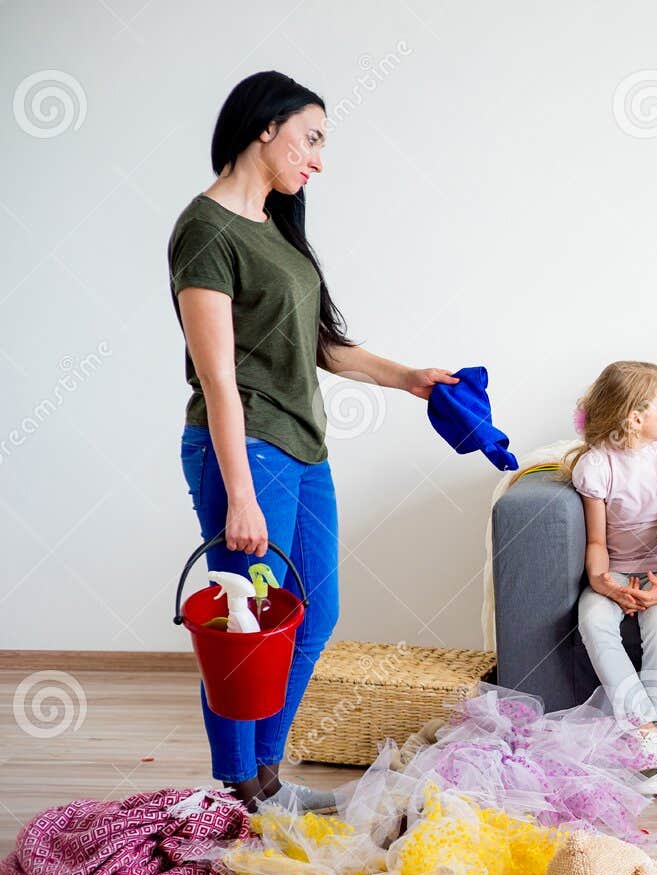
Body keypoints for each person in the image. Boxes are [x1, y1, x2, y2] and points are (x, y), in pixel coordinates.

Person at [170, 71, 459, 809]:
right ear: (265, 127)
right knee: (247, 625)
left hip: (302, 449)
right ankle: (240, 787)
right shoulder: (206, 230)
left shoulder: (275, 230)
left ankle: (264, 774)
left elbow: (322, 344)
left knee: (311, 614)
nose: (319, 160)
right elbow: (219, 377)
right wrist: (240, 495)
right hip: (245, 450)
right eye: (312, 139)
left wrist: (409, 378)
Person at [565, 360, 657, 795]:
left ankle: (650, 760)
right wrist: (602, 581)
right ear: (635, 418)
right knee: (592, 620)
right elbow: (597, 541)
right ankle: (644, 731)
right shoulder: (596, 465)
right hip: (617, 570)